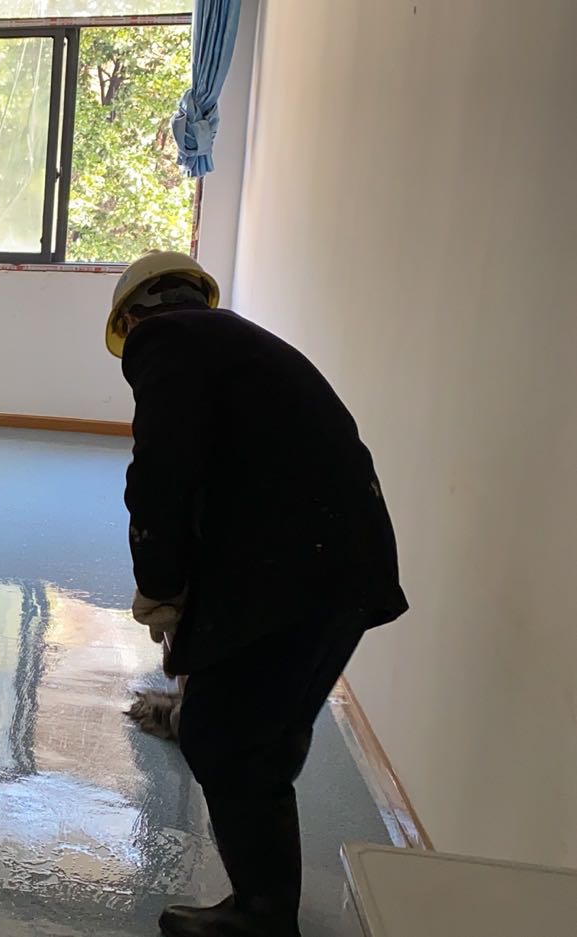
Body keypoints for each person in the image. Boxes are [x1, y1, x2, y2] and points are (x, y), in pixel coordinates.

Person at [107, 251, 408, 937]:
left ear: (131, 318)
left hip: (294, 568)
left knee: (223, 738)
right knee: (260, 733)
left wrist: (158, 585)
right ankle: (264, 906)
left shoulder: (165, 342)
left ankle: (261, 917)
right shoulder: (236, 345)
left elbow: (160, 476)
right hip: (344, 560)